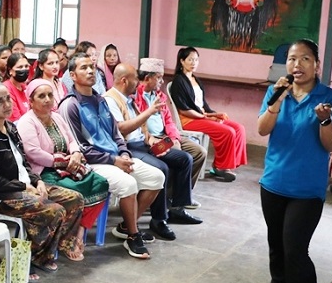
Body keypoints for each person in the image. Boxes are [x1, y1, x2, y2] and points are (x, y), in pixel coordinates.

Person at [256, 39, 332, 283]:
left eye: (305, 59)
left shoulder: (329, 97)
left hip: (307, 189)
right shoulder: (276, 91)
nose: (298, 64)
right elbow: (262, 129)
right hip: (273, 182)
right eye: (293, 59)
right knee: (276, 244)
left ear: (316, 64)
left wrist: (325, 121)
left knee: (295, 248)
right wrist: (277, 99)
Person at [0, 82, 84, 272]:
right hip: (0, 196)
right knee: (54, 211)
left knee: (75, 199)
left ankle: (55, 246)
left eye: (8, 99)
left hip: (24, 185)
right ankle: (35, 257)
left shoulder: (10, 127)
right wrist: (24, 187)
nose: (7, 104)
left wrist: (37, 181)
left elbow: (24, 163)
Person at [58, 54, 164, 259]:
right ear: (72, 75)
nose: (90, 71)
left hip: (116, 157)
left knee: (156, 177)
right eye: (83, 68)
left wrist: (123, 153)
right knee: (128, 184)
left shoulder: (100, 100)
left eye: (92, 67)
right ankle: (133, 236)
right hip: (93, 163)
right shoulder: (70, 105)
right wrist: (114, 160)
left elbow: (116, 133)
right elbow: (80, 148)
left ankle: (126, 226)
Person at [103, 63, 203, 240]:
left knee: (184, 158)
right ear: (124, 81)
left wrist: (155, 142)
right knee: (161, 168)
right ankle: (158, 219)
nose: (138, 82)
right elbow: (121, 129)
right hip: (128, 147)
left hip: (144, 143)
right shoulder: (110, 100)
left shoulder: (129, 98)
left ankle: (177, 209)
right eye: (136, 78)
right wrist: (149, 112)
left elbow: (143, 129)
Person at [16, 78, 110, 258]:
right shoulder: (27, 122)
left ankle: (80, 231)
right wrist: (61, 162)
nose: (47, 99)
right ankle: (67, 239)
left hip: (68, 167)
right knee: (75, 192)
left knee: (101, 183)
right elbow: (33, 153)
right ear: (31, 101)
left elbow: (72, 140)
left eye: (50, 95)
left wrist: (75, 154)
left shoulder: (57, 117)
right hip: (45, 171)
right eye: (41, 96)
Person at [169, 46, 247, 181]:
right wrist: (205, 117)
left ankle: (229, 164)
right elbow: (183, 109)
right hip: (189, 120)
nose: (194, 63)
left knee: (239, 128)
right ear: (182, 61)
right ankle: (220, 167)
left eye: (196, 60)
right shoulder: (178, 81)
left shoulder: (196, 79)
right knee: (228, 132)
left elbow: (203, 105)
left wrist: (213, 115)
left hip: (202, 116)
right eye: (190, 60)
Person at [134, 58, 206, 196]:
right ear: (147, 78)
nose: (162, 82)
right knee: (177, 153)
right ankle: (168, 195)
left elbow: (169, 121)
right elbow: (140, 127)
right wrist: (171, 142)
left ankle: (182, 194)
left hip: (166, 135)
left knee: (199, 152)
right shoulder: (135, 96)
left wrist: (174, 138)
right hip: (150, 140)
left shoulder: (159, 96)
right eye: (159, 78)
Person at [2, 52, 31, 121]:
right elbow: (15, 119)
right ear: (10, 70)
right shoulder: (6, 89)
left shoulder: (26, 87)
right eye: (20, 67)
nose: (24, 69)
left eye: (26, 66)